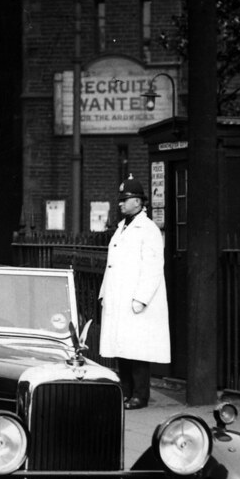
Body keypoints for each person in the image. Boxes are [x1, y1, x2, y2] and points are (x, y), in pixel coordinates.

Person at [98, 175, 170, 410]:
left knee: (138, 351)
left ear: (138, 202)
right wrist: (103, 293)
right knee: (122, 349)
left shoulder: (147, 229)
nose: (120, 203)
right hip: (119, 298)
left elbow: (153, 267)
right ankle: (126, 392)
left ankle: (140, 395)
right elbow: (112, 264)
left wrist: (141, 299)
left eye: (125, 199)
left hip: (135, 301)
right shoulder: (122, 228)